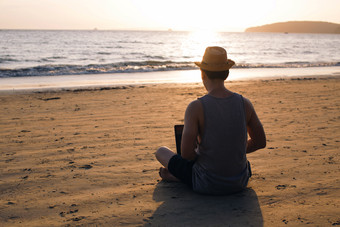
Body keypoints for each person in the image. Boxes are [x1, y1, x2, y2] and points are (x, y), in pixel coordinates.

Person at [155, 46, 266, 195]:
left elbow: (187, 155)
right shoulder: (244, 103)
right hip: (239, 181)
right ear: (226, 74)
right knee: (241, 164)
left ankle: (178, 177)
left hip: (207, 183)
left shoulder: (196, 107)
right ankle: (177, 176)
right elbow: (260, 142)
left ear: (202, 74)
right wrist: (230, 151)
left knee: (161, 152)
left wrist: (208, 153)